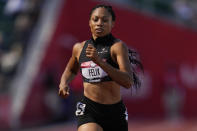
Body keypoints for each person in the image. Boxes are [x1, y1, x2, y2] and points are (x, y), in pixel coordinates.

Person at [59, 4, 143, 131]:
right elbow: (71, 69)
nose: (99, 23)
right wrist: (63, 83)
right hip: (89, 108)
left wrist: (100, 62)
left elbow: (128, 81)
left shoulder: (117, 47)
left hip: (114, 111)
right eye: (95, 19)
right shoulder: (79, 48)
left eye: (105, 20)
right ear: (89, 22)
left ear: (112, 23)